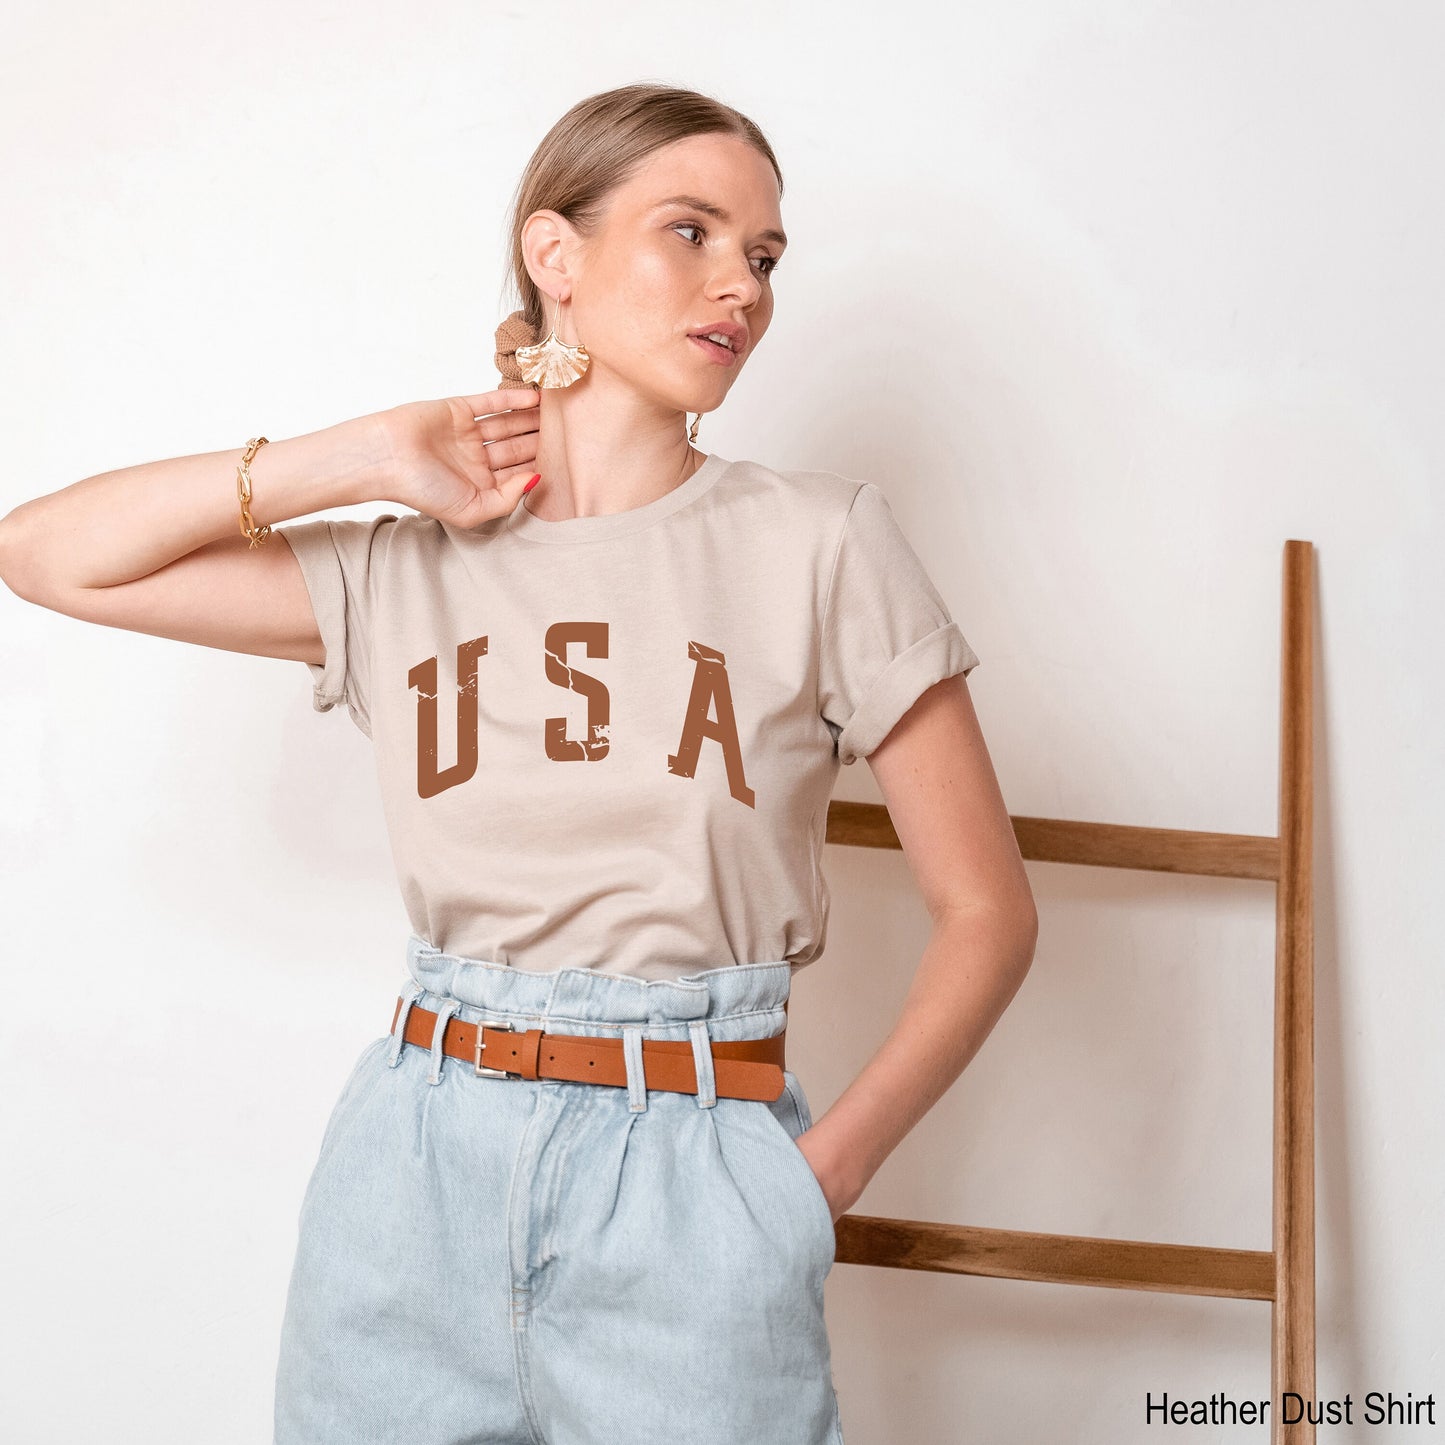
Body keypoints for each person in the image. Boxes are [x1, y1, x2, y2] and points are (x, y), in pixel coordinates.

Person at [0, 81, 1038, 1445]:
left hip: (693, 1177)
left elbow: (987, 910)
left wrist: (817, 1176)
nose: (742, 284)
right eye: (692, 232)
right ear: (556, 254)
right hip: (413, 1170)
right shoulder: (406, 566)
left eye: (765, 254)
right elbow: (45, 555)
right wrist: (362, 455)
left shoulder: (820, 542)